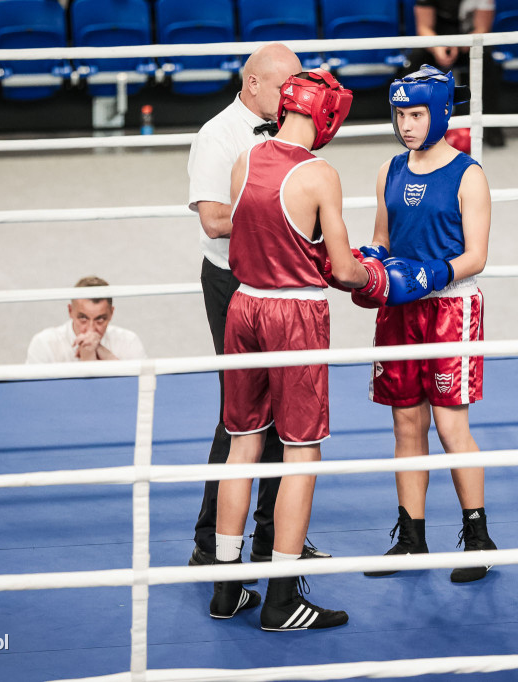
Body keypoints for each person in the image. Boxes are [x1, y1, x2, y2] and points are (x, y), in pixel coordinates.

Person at [210, 69, 387, 630]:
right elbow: (342, 270)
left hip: (243, 306)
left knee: (242, 447)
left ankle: (225, 588)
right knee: (300, 453)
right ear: (328, 115)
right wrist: (380, 274)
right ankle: (283, 599)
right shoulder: (318, 174)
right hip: (293, 315)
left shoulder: (245, 159)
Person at [186, 43, 331, 570]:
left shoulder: (290, 136)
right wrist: (280, 218)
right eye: (284, 86)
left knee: (285, 417)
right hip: (235, 284)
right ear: (252, 84)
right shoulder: (218, 136)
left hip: (280, 284)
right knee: (241, 417)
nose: (296, 95)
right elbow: (213, 220)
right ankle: (210, 546)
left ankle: (275, 540)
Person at [359, 65, 497, 583]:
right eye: (400, 114)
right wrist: (365, 267)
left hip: (449, 308)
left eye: (416, 113)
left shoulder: (469, 174)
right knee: (405, 423)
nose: (407, 124)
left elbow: (477, 256)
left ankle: (478, 537)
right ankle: (412, 537)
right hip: (400, 308)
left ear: (440, 113)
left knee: (449, 424)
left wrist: (433, 272)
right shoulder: (388, 170)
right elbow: (383, 241)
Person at [411, 0, 505, 148]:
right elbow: (424, 27)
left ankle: (492, 129)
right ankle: (415, 131)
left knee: (487, 59)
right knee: (416, 58)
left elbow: (482, 28)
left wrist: (460, 45)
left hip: (469, 42)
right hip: (436, 41)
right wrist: (437, 48)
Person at [25, 276, 147, 363]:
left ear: (111, 313)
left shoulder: (129, 341)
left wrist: (105, 354)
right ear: (70, 311)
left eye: (100, 319)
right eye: (83, 318)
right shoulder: (44, 343)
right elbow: (33, 394)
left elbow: (138, 390)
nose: (90, 329)